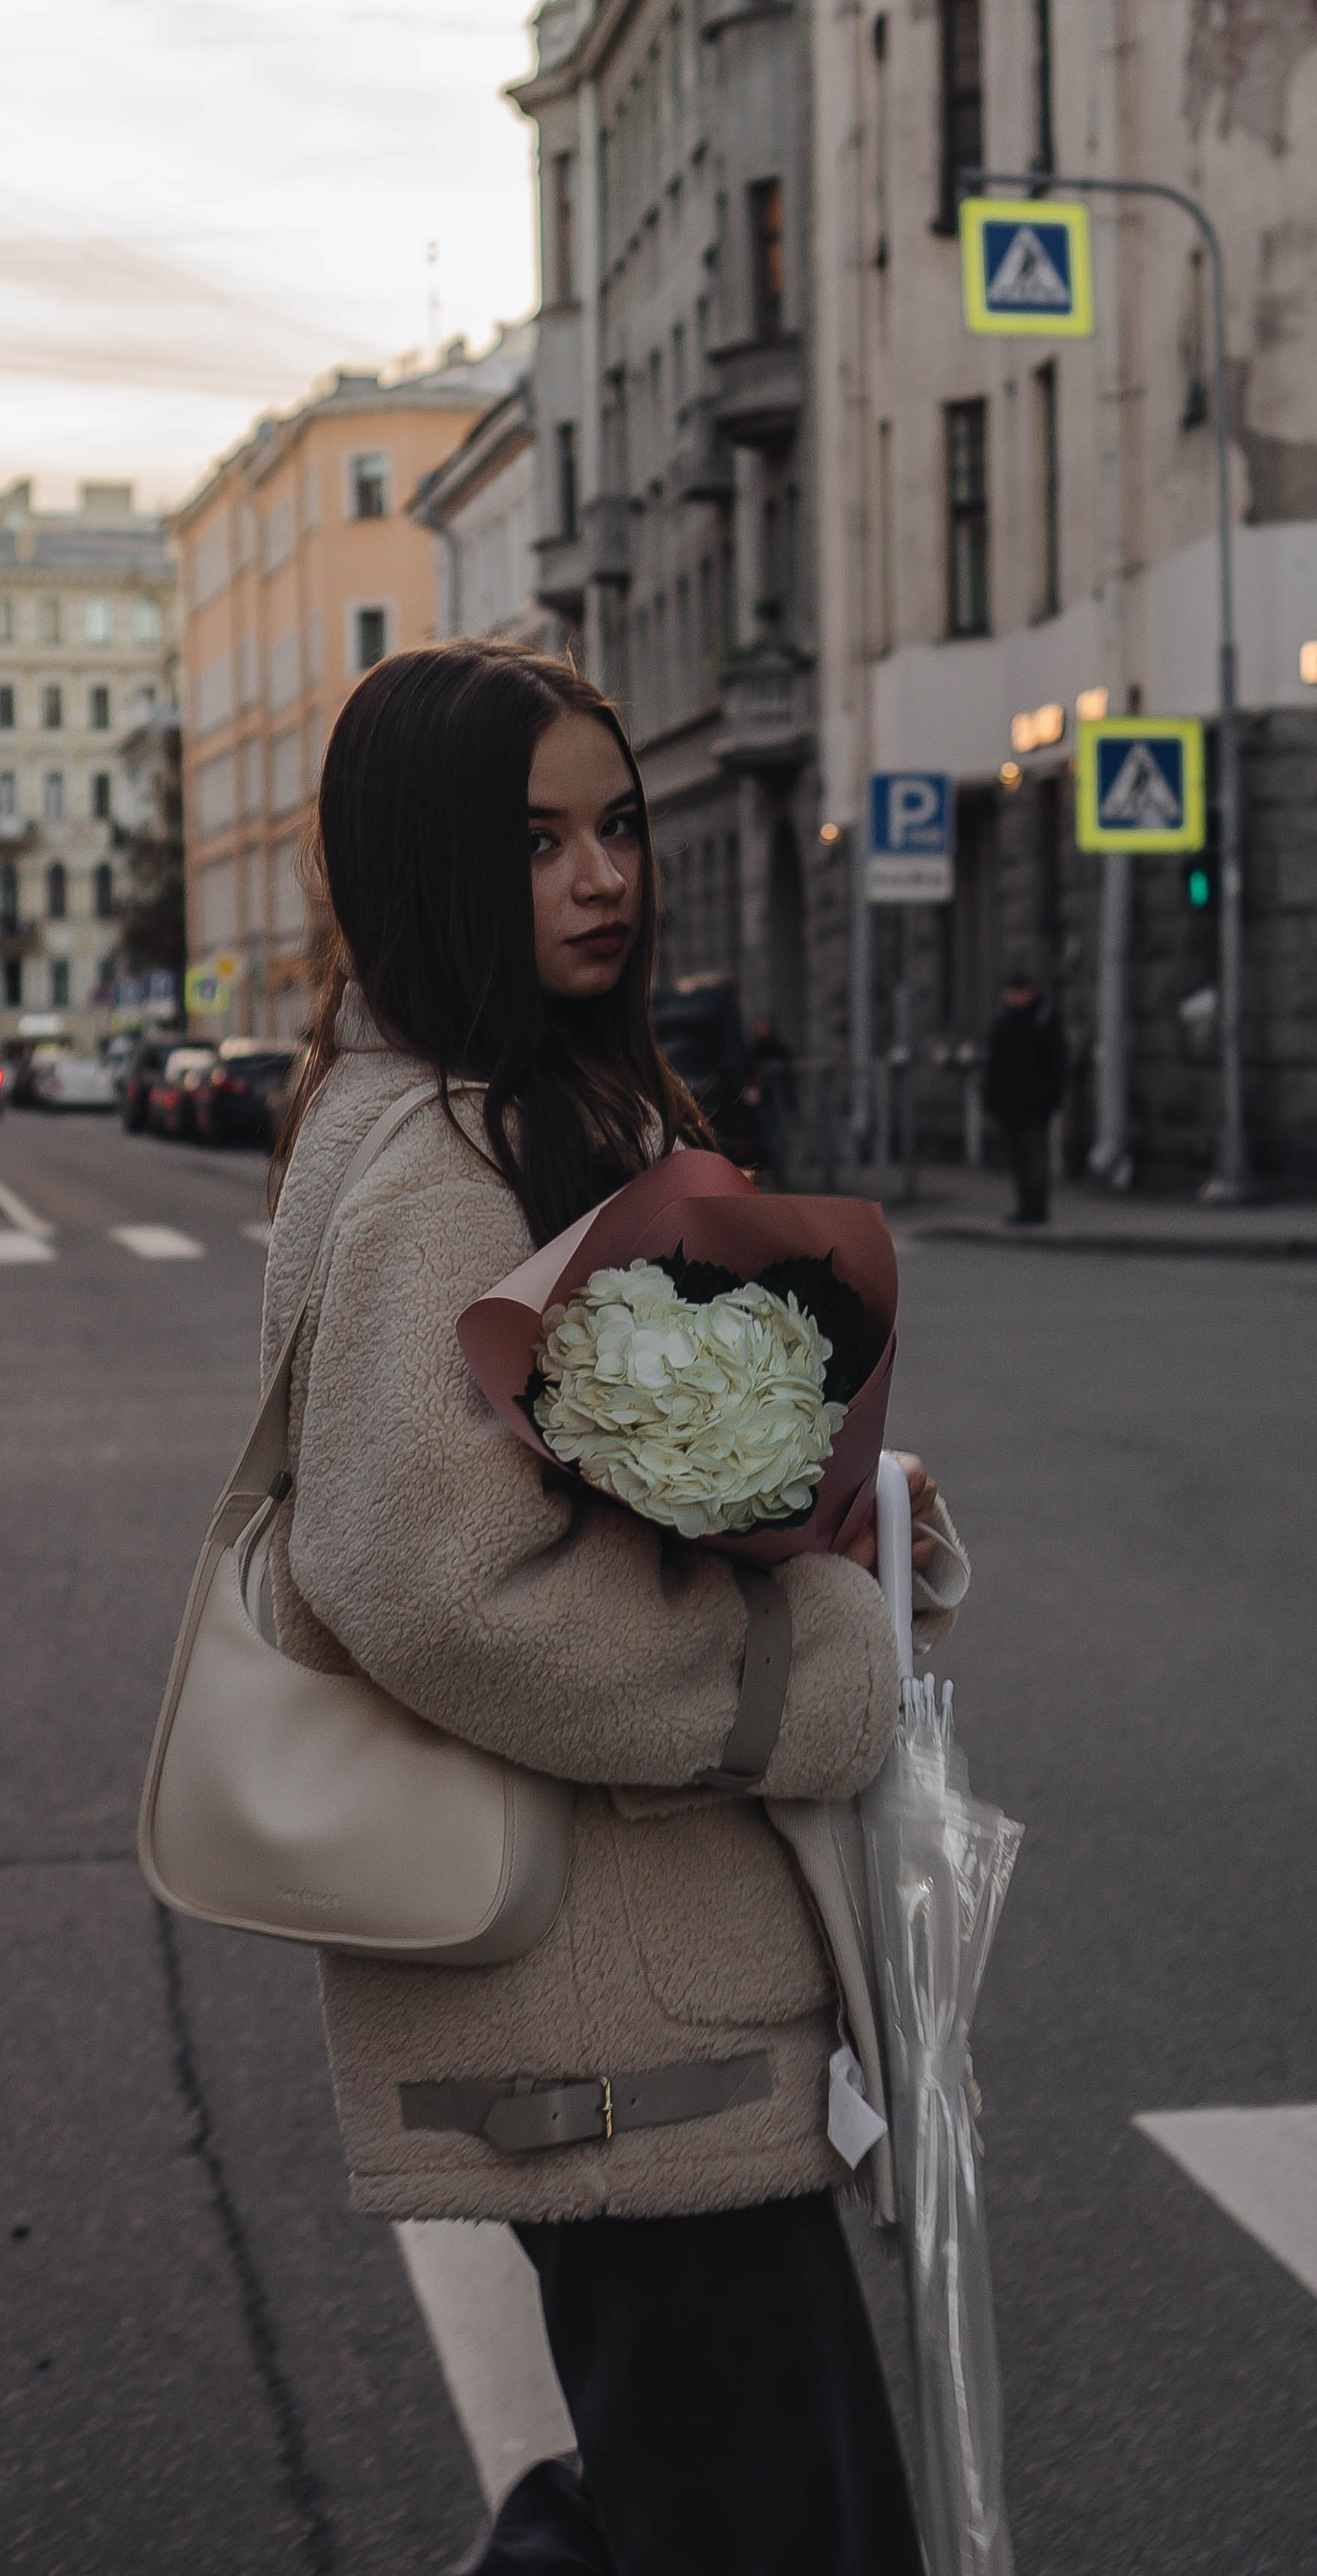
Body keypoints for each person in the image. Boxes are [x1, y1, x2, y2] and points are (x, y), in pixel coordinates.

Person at [265, 642, 968, 2575]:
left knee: (713, 2497)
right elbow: (423, 1573)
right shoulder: (443, 1161)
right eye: (540, 840)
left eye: (620, 825)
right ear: (427, 865)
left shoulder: (532, 1106)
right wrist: (810, 1671)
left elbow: (636, 1498)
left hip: (640, 1993)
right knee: (780, 2522)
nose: (605, 877)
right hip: (612, 2008)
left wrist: (862, 1513)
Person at [983, 967, 1066, 1226]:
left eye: (1017, 993)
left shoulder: (1042, 1021)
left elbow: (1057, 1064)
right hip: (1011, 1105)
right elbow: (995, 1066)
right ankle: (1025, 1206)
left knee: (1034, 1156)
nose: (1013, 998)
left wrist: (1050, 1098)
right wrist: (993, 1099)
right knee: (1020, 1158)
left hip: (1034, 1105)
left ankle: (1037, 1208)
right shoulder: (1005, 1023)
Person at [743, 1011, 796, 1185]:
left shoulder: (778, 1050)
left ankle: (779, 1175)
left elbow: (787, 1074)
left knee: (778, 1139)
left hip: (776, 1101)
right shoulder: (754, 1050)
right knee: (763, 1138)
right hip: (761, 1103)